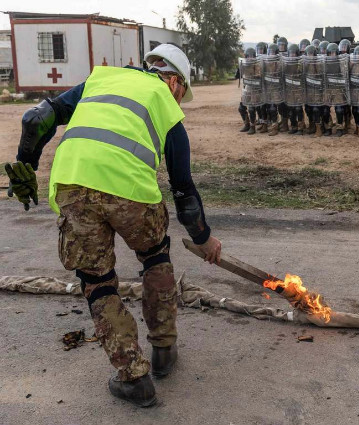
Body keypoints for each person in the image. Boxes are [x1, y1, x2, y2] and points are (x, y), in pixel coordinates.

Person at [4, 43, 222, 407]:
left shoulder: (100, 79)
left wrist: (24, 165)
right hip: (131, 191)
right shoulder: (163, 101)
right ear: (174, 81)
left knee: (97, 280)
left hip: (74, 185)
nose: (180, 101)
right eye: (183, 92)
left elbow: (35, 118)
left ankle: (133, 378)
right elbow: (182, 189)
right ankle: (164, 351)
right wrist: (204, 238)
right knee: (155, 256)